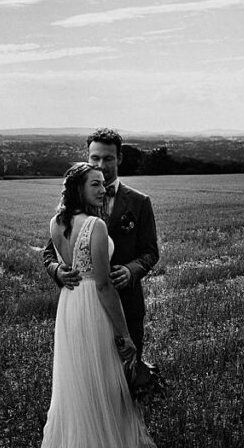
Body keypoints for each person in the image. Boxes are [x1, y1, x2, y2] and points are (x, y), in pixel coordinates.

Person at [23, 162, 170, 448]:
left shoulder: (56, 224)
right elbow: (104, 286)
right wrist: (124, 336)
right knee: (105, 386)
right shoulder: (96, 225)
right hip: (93, 308)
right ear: (78, 190)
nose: (102, 189)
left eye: (103, 184)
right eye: (94, 185)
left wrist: (62, 270)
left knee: (77, 385)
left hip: (70, 306)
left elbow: (62, 258)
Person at [43, 128, 159, 356]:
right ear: (87, 158)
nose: (101, 164)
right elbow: (49, 253)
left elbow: (151, 251)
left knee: (128, 373)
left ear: (120, 159)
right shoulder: (71, 211)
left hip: (126, 305)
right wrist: (58, 271)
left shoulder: (139, 202)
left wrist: (131, 270)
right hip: (84, 307)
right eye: (95, 158)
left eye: (108, 158)